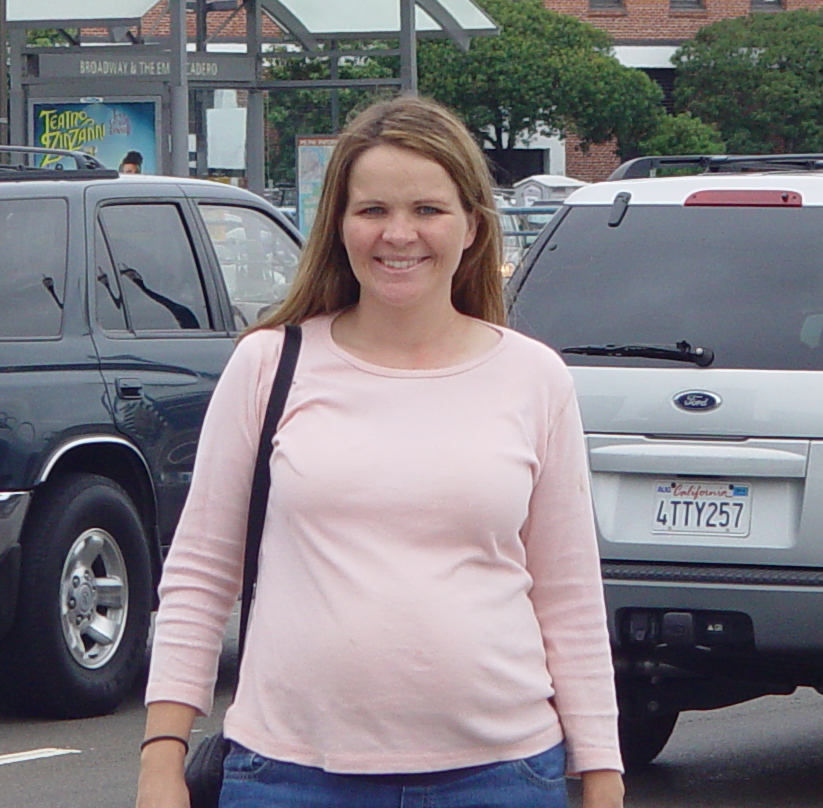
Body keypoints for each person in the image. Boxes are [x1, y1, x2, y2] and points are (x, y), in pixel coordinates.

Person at [136, 96, 623, 808]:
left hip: (502, 777)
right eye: (373, 211)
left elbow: (569, 599)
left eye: (428, 209)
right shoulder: (270, 365)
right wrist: (160, 761)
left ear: (472, 228)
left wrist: (603, 777)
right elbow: (201, 573)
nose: (399, 234)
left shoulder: (533, 377)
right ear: (338, 226)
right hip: (289, 775)